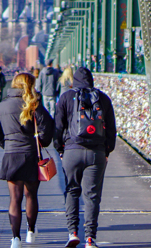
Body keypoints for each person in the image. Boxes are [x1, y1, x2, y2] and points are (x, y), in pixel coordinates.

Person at [0, 72, 54, 248]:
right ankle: (31, 232)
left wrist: (6, 144)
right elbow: (48, 127)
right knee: (31, 195)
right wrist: (42, 143)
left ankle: (15, 239)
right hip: (31, 155)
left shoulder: (2, 106)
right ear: (30, 85)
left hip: (12, 155)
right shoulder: (34, 105)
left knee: (14, 199)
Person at [54, 66, 117, 248]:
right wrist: (107, 151)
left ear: (74, 80)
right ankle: (90, 238)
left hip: (71, 151)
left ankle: (73, 232)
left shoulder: (66, 97)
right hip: (96, 153)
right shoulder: (103, 98)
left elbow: (58, 126)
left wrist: (60, 149)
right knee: (92, 196)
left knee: (72, 191)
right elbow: (112, 130)